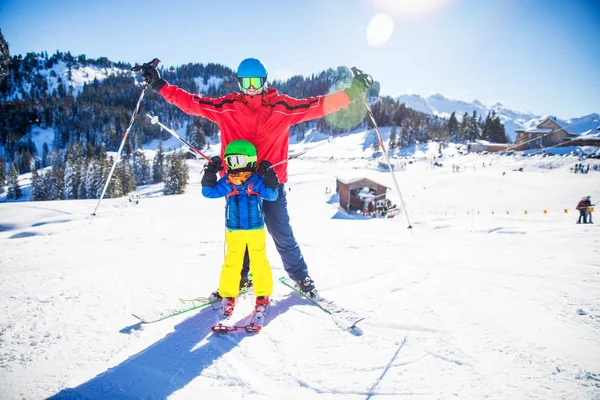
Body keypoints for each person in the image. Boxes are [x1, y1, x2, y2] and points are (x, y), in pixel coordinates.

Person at [138, 57, 372, 296]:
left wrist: (352, 92)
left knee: (281, 232)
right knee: (241, 234)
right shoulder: (227, 106)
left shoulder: (282, 106)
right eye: (246, 82)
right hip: (237, 183)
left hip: (270, 184)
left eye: (256, 82)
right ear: (239, 83)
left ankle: (301, 277)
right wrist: (160, 85)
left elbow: (319, 105)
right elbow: (192, 103)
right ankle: (241, 278)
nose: (251, 87)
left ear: (264, 81)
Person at [201, 139, 279, 318]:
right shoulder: (226, 182)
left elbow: (272, 195)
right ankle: (228, 294)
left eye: (239, 161)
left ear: (251, 161)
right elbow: (208, 192)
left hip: (255, 230)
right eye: (231, 161)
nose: (235, 166)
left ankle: (262, 296)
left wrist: (269, 176)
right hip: (234, 230)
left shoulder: (257, 180)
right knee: (232, 263)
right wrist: (210, 172)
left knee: (259, 263)